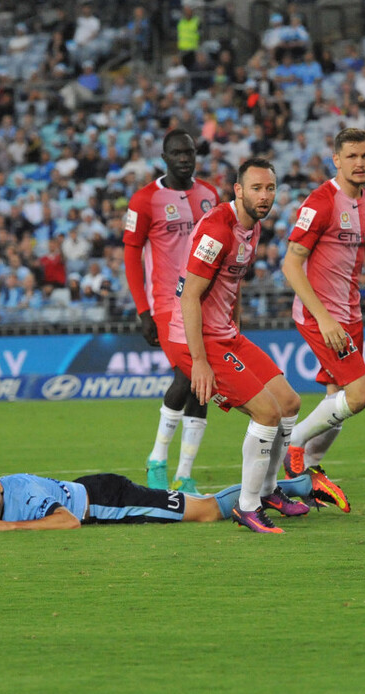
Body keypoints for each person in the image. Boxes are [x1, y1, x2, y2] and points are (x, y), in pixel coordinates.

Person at [163, 158, 307, 533]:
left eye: (270, 188)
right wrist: (198, 362)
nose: (264, 196)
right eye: (257, 188)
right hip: (195, 339)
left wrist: (236, 330)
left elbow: (234, 281)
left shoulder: (252, 227)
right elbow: (189, 297)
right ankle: (247, 506)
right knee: (266, 413)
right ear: (238, 191)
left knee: (289, 402)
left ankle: (270, 489)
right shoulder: (217, 230)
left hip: (225, 333)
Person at [280, 128, 365, 514]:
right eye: (352, 156)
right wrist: (323, 318)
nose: (360, 163)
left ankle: (307, 475)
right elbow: (291, 263)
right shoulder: (320, 202)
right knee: (361, 393)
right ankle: (294, 446)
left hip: (351, 314)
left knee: (338, 401)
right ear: (336, 160)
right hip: (321, 315)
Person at [123, 128, 221, 493]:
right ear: (164, 157)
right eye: (177, 153)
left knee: (202, 384)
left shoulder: (210, 195)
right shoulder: (144, 199)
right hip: (166, 303)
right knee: (186, 376)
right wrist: (142, 310)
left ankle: (185, 475)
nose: (184, 158)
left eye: (189, 152)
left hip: (205, 303)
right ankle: (157, 459)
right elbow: (132, 254)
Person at [0, 459, 314, 533]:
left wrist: (6, 525)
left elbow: (67, 522)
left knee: (204, 513)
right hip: (89, 489)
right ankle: (279, 491)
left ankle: (300, 485)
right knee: (198, 505)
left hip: (108, 499)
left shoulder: (25, 496)